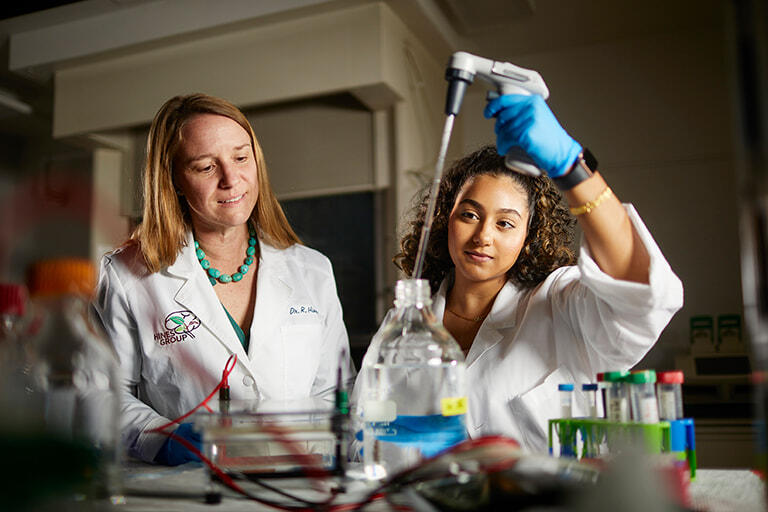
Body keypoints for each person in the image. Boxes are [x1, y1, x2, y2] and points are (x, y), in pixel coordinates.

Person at [357, 94, 683, 453]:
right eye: (469, 214)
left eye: (506, 223)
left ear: (528, 236)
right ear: (444, 220)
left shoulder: (557, 303)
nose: (483, 236)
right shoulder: (400, 330)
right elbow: (363, 440)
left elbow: (641, 296)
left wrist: (571, 167)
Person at [92, 93, 355, 465]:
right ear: (174, 181)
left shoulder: (312, 270)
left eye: (241, 157)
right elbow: (102, 394)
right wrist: (163, 440)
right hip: (191, 492)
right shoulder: (127, 277)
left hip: (301, 486)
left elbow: (335, 389)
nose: (232, 179)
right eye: (205, 167)